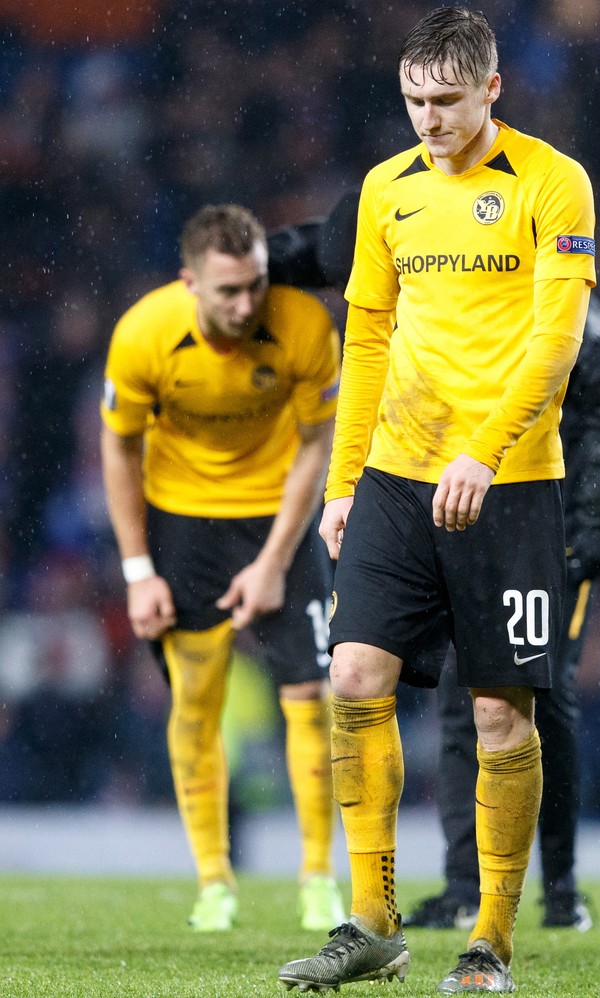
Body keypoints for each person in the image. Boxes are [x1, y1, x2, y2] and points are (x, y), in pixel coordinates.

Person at [277, 7, 595, 994]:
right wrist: (342, 482)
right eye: (414, 101)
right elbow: (366, 339)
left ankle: (490, 939)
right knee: (354, 675)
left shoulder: (551, 181)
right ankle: (374, 918)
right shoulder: (384, 190)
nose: (429, 120)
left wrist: (487, 453)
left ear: (492, 89)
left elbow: (558, 341)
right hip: (396, 476)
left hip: (511, 485)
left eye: (448, 101)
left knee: (502, 717)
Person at [268, 194, 600, 936]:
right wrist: (246, 260)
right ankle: (459, 886)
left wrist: (593, 527)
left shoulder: (518, 278)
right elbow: (310, 247)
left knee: (534, 696)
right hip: (433, 502)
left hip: (540, 509)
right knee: (455, 698)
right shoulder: (379, 239)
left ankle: (563, 887)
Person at [100, 204, 345, 934]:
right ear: (190, 282)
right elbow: (119, 448)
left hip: (280, 517)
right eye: (228, 291)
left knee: (313, 696)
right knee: (197, 698)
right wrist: (139, 570)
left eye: (256, 287)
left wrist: (273, 561)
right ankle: (214, 881)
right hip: (182, 526)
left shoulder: (303, 325)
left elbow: (315, 443)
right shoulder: (144, 333)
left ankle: (318, 879)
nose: (246, 305)